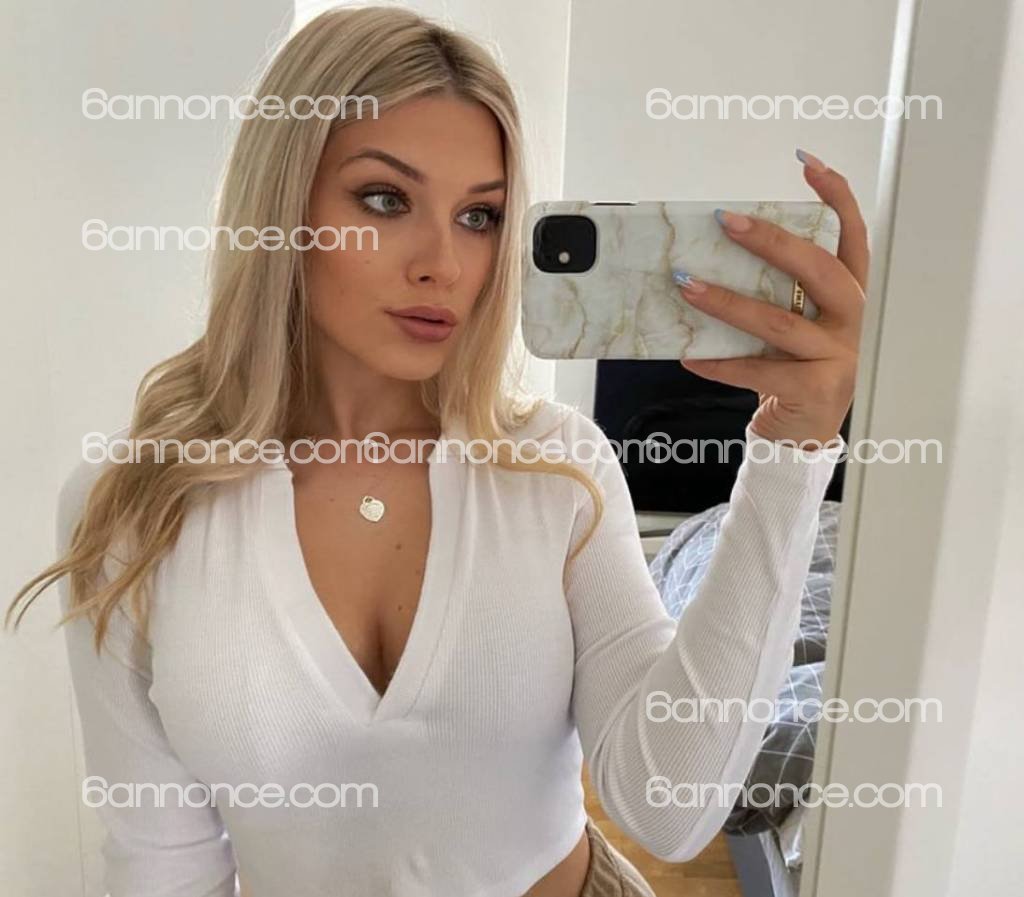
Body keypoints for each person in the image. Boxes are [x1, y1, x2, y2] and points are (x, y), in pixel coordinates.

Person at [7, 5, 867, 896]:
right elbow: (162, 862)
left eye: (480, 216)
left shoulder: (555, 468)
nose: (444, 265)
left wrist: (791, 450)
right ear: (280, 204)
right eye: (385, 200)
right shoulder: (133, 504)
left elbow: (669, 803)